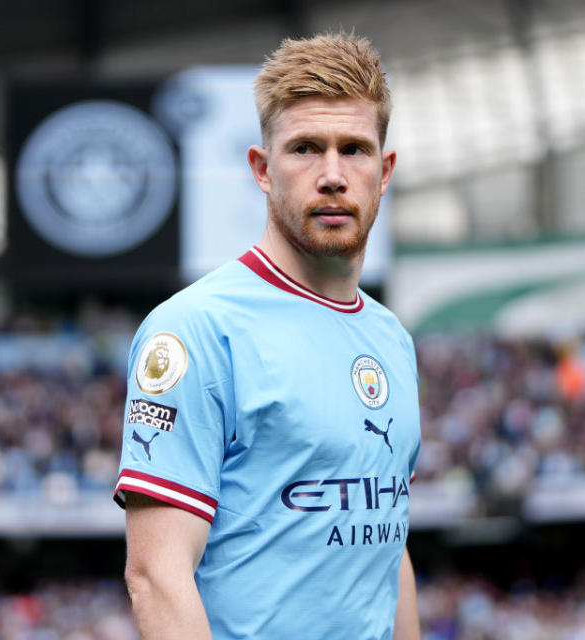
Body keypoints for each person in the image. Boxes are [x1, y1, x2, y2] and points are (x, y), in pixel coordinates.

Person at [114, 32, 422, 640]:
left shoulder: (392, 338)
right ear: (261, 168)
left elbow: (388, 542)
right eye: (306, 148)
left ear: (384, 172)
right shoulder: (196, 330)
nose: (333, 176)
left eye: (354, 150)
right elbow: (155, 574)